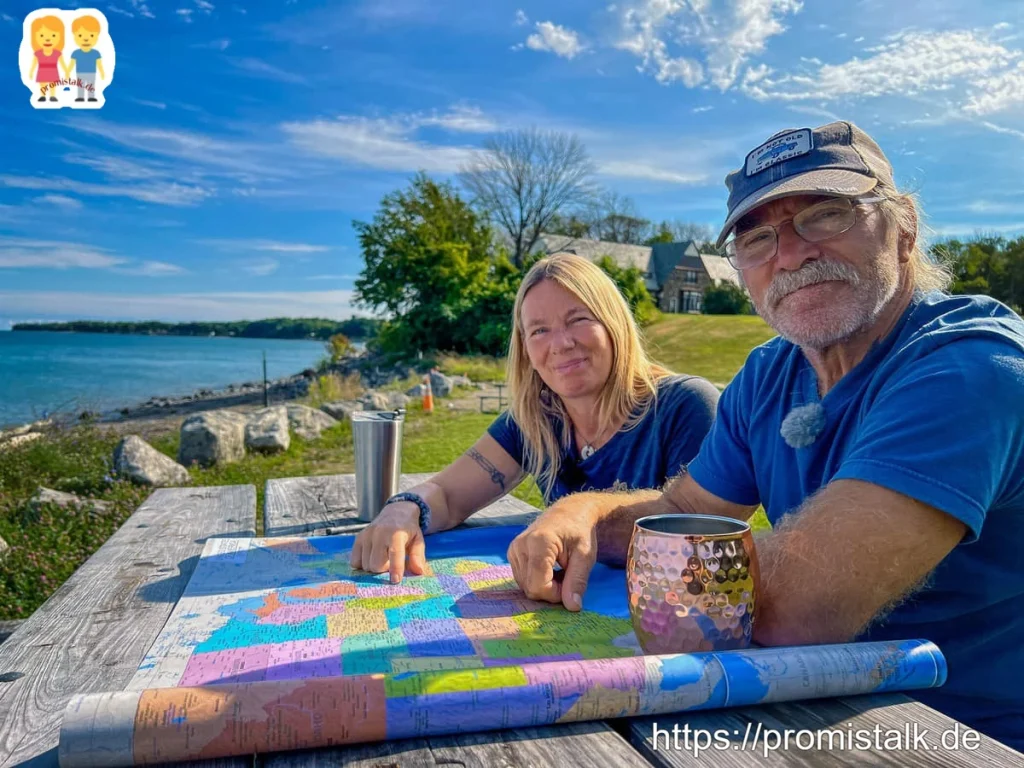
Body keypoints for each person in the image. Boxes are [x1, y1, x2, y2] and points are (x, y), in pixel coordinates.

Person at [507, 121, 1024, 752]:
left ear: (904, 228)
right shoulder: (768, 372)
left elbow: (791, 609)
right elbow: (684, 511)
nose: (790, 253)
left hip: (958, 735)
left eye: (826, 214)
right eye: (756, 238)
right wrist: (580, 514)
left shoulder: (972, 367)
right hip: (803, 707)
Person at [350, 252, 721, 584]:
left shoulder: (684, 405)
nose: (560, 343)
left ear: (614, 325)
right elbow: (447, 493)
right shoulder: (535, 419)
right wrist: (404, 508)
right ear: (525, 347)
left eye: (578, 319)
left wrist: (581, 513)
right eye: (539, 330)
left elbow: (698, 529)